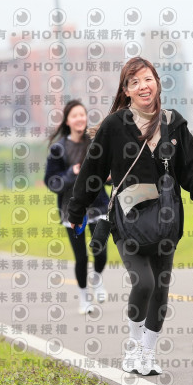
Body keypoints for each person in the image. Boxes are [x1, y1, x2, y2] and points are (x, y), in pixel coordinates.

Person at [66, 57, 193, 376]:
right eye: (134, 82)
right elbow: (92, 172)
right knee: (144, 282)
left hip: (166, 218)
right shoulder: (114, 126)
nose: (143, 86)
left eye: (147, 79)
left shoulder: (173, 123)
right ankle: (134, 345)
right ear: (126, 91)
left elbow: (190, 168)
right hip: (128, 218)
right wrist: (76, 211)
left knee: (160, 286)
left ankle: (148, 352)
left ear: (157, 82)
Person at [44, 100, 110, 314]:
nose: (80, 118)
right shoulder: (58, 149)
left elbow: (106, 172)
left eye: (82, 114)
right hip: (71, 210)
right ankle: (84, 299)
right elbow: (52, 182)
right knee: (81, 257)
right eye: (75, 115)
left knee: (101, 252)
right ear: (67, 121)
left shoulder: (96, 142)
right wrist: (71, 173)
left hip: (99, 206)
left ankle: (97, 279)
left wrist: (109, 177)